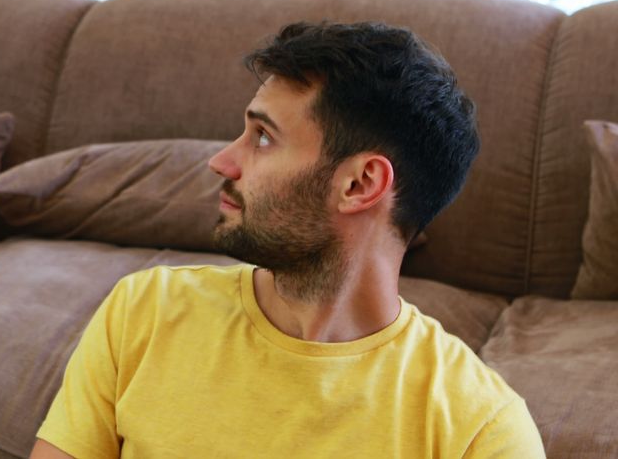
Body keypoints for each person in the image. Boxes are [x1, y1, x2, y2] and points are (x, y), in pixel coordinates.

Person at [32, 22, 546, 458]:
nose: (222, 161)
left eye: (262, 137)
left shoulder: (481, 431)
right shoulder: (142, 312)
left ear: (360, 185)